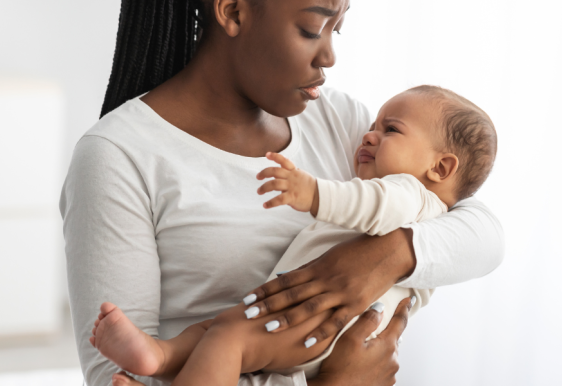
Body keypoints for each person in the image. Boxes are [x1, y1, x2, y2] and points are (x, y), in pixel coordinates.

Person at [59, 1, 504, 385]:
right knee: (220, 336)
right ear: (234, 11)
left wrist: (389, 255)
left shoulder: (341, 121)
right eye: (313, 28)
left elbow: (479, 230)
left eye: (338, 28)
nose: (329, 54)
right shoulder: (118, 156)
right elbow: (118, 375)